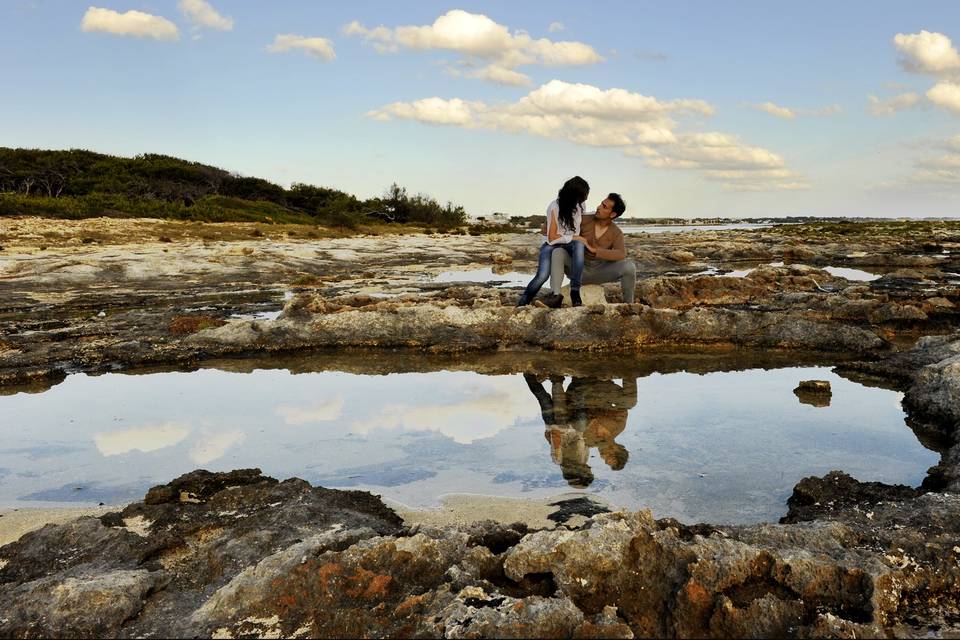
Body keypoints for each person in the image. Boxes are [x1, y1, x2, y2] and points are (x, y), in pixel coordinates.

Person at [545, 193, 637, 306]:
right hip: (578, 270)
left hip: (600, 272)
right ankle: (555, 296)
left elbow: (621, 254)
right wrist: (550, 221)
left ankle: (630, 305)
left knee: (629, 267)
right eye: (601, 203)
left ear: (612, 214)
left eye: (604, 207)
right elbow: (557, 226)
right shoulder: (583, 219)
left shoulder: (616, 232)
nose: (598, 207)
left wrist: (595, 251)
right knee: (558, 252)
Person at [516, 176, 591, 307]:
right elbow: (552, 238)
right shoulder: (555, 207)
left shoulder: (580, 205)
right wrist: (575, 237)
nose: (584, 200)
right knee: (542, 276)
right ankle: (522, 304)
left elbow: (585, 220)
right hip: (551, 244)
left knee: (579, 245)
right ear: (572, 195)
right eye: (582, 197)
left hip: (570, 244)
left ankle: (575, 291)